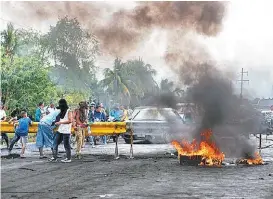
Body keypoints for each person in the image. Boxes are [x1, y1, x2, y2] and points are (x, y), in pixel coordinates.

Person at [49, 99, 72, 163]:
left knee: (66, 145)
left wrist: (60, 123)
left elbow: (70, 121)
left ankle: (68, 158)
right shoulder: (61, 111)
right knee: (55, 143)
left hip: (66, 131)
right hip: (60, 130)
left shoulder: (69, 111)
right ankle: (54, 157)